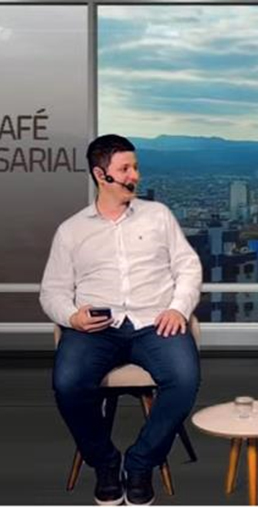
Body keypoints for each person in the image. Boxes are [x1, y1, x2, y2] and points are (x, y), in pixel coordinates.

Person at [41, 134, 202, 506]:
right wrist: (72, 317)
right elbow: (52, 292)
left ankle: (141, 463)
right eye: (125, 169)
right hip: (96, 330)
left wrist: (178, 308)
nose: (135, 176)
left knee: (185, 379)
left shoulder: (158, 216)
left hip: (155, 322)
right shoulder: (71, 230)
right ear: (102, 175)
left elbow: (188, 267)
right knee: (67, 383)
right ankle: (106, 464)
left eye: (136, 167)